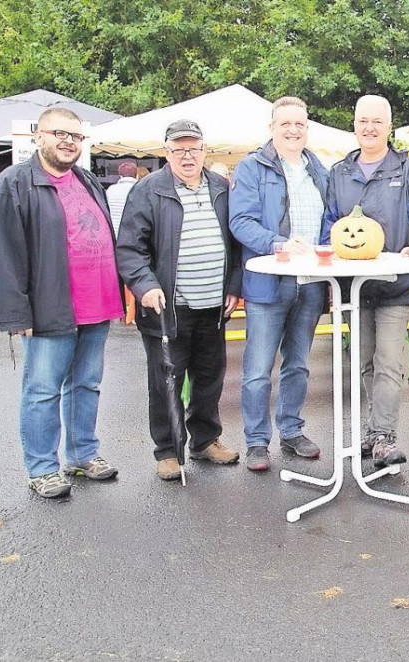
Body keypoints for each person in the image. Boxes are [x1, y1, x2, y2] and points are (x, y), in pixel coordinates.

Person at [0, 107, 124, 498]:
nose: (68, 141)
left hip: (97, 303)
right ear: (39, 137)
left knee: (87, 384)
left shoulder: (86, 179)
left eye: (75, 136)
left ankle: (83, 454)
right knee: (43, 389)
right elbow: (5, 253)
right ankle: (42, 468)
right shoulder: (14, 182)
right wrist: (17, 312)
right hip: (51, 307)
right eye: (59, 133)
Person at [116, 120, 242, 480]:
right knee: (167, 380)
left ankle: (205, 440)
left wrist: (233, 284)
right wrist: (145, 284)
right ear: (166, 152)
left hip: (213, 307)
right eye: (179, 148)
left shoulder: (221, 186)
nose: (187, 155)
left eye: (194, 148)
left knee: (210, 376)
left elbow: (234, 244)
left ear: (205, 150)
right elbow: (129, 249)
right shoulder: (147, 190)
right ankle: (168, 450)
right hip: (167, 307)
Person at [322, 95, 409, 468]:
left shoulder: (408, 169)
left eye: (377, 121)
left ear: (389, 127)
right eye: (363, 121)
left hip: (394, 287)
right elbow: (330, 223)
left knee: (389, 361)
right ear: (354, 125)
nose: (369, 127)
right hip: (352, 288)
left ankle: (386, 437)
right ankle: (374, 433)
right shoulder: (339, 172)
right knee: (364, 363)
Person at [229, 97, 331, 472]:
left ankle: (291, 430)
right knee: (257, 369)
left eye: (299, 124)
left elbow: (331, 221)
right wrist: (278, 244)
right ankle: (257, 441)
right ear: (272, 128)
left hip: (311, 283)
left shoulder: (319, 169)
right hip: (270, 282)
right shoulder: (252, 167)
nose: (293, 130)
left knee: (299, 365)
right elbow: (240, 221)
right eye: (285, 123)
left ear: (307, 129)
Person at [106, 161, 138, 237]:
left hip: (113, 233)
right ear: (136, 175)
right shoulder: (141, 190)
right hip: (134, 235)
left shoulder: (111, 190)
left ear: (120, 176)